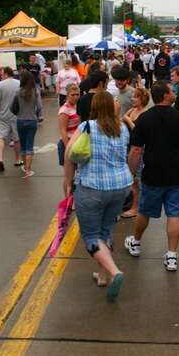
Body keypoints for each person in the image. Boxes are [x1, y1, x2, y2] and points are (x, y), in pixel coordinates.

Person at [64, 92, 133, 299]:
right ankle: (103, 275)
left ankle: (114, 271)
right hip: (120, 187)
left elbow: (69, 154)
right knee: (106, 230)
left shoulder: (87, 127)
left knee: (91, 236)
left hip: (92, 187)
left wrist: (67, 181)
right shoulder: (122, 128)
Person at [124, 81, 179, 271]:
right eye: (172, 91)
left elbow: (135, 150)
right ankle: (172, 255)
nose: (175, 92)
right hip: (177, 174)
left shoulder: (145, 119)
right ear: (165, 95)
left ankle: (136, 242)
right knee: (174, 214)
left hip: (152, 174)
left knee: (144, 211)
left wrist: (130, 173)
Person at [120, 87, 150, 219]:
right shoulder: (132, 110)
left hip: (139, 149)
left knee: (137, 179)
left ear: (142, 99)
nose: (133, 99)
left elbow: (137, 130)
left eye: (136, 97)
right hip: (128, 146)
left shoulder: (145, 113)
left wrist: (127, 120)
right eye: (132, 96)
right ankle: (132, 203)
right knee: (131, 179)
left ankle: (136, 207)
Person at [14, 71, 43, 178]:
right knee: (30, 145)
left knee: (23, 145)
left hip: (20, 120)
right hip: (32, 120)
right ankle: (28, 170)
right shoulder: (35, 91)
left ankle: (25, 166)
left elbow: (14, 106)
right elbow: (39, 106)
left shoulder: (18, 91)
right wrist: (39, 115)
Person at [0, 67, 22, 172]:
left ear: (5, 74)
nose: (1, 76)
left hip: (3, 115)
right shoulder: (19, 83)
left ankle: (0, 159)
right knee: (16, 139)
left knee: (0, 137)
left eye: (2, 74)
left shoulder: (0, 85)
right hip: (16, 115)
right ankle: (18, 159)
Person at [57, 84, 81, 167]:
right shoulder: (64, 110)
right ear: (67, 95)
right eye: (72, 95)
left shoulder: (77, 106)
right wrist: (68, 147)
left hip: (77, 142)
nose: (75, 97)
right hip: (67, 143)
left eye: (77, 94)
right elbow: (62, 130)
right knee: (70, 174)